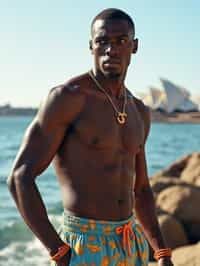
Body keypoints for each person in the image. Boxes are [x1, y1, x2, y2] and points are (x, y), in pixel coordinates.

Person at [7, 8, 174, 266]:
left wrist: (161, 252)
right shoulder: (67, 98)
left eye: (121, 41)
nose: (111, 49)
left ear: (135, 46)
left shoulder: (139, 110)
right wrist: (57, 250)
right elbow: (20, 177)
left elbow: (140, 189)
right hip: (83, 245)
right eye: (102, 41)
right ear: (91, 46)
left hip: (131, 244)